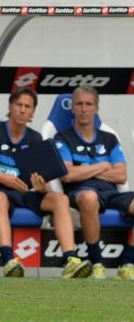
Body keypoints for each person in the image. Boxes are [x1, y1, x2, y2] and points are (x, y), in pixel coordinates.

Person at [0, 87, 92, 278]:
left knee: (60, 199)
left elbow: (41, 180)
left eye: (28, 106)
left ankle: (70, 260)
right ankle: (9, 260)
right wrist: (1, 178)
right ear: (10, 106)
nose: (23, 110)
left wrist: (42, 188)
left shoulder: (35, 138)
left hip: (23, 193)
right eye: (19, 105)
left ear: (33, 112)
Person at [55, 86, 134, 280]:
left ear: (96, 108)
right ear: (72, 108)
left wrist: (86, 169)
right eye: (79, 104)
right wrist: (103, 165)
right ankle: (97, 262)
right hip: (80, 192)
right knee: (89, 197)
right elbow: (68, 175)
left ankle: (128, 263)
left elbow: (121, 175)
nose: (84, 109)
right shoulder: (62, 138)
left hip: (111, 193)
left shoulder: (109, 139)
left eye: (88, 104)